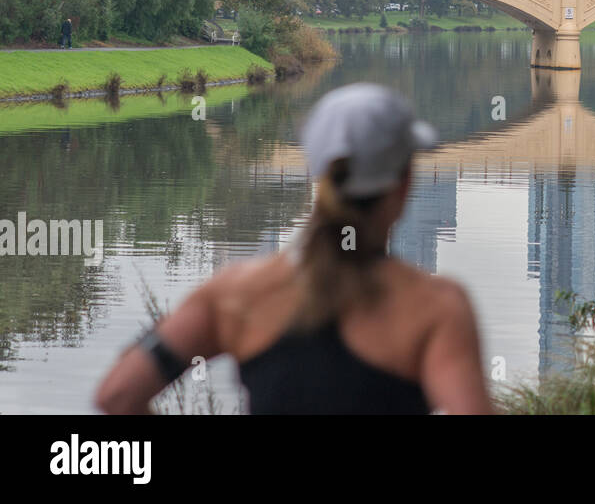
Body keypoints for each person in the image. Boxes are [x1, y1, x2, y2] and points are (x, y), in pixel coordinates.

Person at [96, 83, 494, 414]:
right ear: (404, 185)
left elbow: (117, 395)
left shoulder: (235, 293)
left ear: (316, 175)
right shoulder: (436, 308)